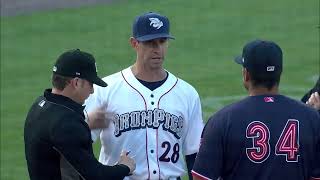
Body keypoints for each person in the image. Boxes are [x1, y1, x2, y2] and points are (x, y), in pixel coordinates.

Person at [85, 12, 204, 180]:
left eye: (162, 42)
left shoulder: (187, 93)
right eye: (150, 42)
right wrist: (86, 124)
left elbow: (194, 154)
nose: (157, 49)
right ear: (134, 43)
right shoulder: (106, 89)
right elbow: (79, 146)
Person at [192, 40, 320, 180]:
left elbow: (201, 177)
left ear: (246, 74)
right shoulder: (312, 119)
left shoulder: (222, 120)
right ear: (279, 73)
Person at [24, 49, 136, 180]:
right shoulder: (67, 123)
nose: (93, 91)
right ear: (76, 82)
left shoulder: (40, 104)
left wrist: (85, 124)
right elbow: (96, 176)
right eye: (90, 84)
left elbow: (56, 137)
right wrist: (124, 166)